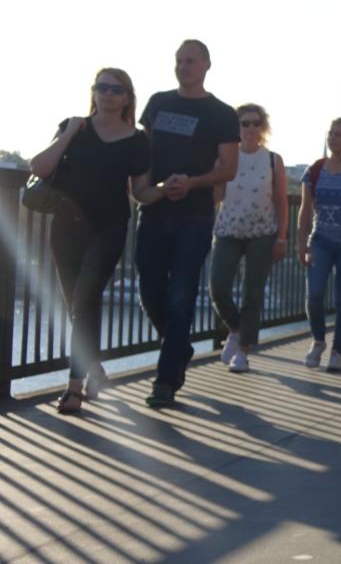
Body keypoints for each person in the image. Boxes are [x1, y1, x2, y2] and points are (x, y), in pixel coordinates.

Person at [29, 69, 156, 414]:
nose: (108, 94)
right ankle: (95, 368)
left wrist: (166, 190)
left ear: (128, 97)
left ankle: (73, 388)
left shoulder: (137, 140)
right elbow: (39, 167)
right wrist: (69, 131)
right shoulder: (75, 128)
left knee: (85, 299)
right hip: (65, 228)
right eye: (102, 87)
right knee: (78, 304)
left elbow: (140, 191)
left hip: (109, 229)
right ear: (94, 92)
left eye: (116, 89)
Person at [138, 40, 240, 409]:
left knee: (181, 295)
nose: (183, 67)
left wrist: (191, 182)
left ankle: (165, 381)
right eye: (179, 61)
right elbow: (144, 151)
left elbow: (229, 168)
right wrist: (146, 188)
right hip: (154, 210)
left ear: (206, 66)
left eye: (190, 61)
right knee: (148, 289)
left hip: (194, 214)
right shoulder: (158, 103)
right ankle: (178, 346)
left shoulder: (221, 113)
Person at [209, 103, 289, 374]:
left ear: (263, 127)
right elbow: (215, 196)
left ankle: (242, 352)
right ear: (237, 127)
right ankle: (235, 329)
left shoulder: (272, 159)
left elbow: (281, 200)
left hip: (261, 233)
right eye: (245, 123)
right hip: (227, 231)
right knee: (217, 288)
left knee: (252, 294)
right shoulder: (225, 158)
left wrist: (281, 237)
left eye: (256, 123)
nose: (251, 128)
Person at [296, 117, 341, 373]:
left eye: (339, 134)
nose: (333, 138)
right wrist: (301, 242)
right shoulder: (315, 170)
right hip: (321, 239)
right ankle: (318, 340)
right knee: (314, 294)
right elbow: (304, 209)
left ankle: (337, 352)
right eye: (331, 133)